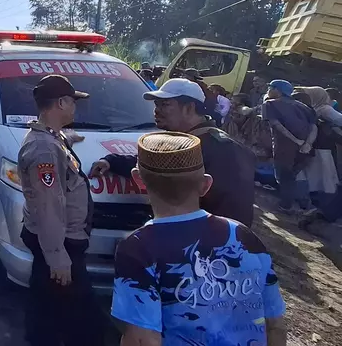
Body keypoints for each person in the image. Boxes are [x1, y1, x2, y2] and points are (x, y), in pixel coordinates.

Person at [111, 132, 287, 346]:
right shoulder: (243, 236)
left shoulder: (138, 248)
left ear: (138, 180)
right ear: (205, 185)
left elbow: (142, 340)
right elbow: (275, 325)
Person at [90, 78, 256, 226]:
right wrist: (111, 161)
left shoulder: (218, 149)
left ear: (189, 108)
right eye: (156, 105)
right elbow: (155, 164)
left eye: (165, 104)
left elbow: (229, 210)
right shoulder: (192, 141)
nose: (156, 110)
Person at [17, 75, 103, 346]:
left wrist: (67, 140)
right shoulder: (44, 150)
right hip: (59, 242)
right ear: (61, 102)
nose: (75, 107)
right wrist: (57, 257)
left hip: (56, 238)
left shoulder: (50, 137)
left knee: (46, 305)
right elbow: (48, 205)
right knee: (85, 321)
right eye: (73, 102)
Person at [263, 79, 318, 214]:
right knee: (294, 176)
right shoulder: (303, 106)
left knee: (283, 176)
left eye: (270, 88)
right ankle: (304, 205)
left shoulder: (270, 104)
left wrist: (296, 141)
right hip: (306, 149)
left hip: (284, 147)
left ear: (278, 90)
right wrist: (307, 144)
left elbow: (277, 125)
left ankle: (286, 205)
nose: (268, 91)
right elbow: (314, 127)